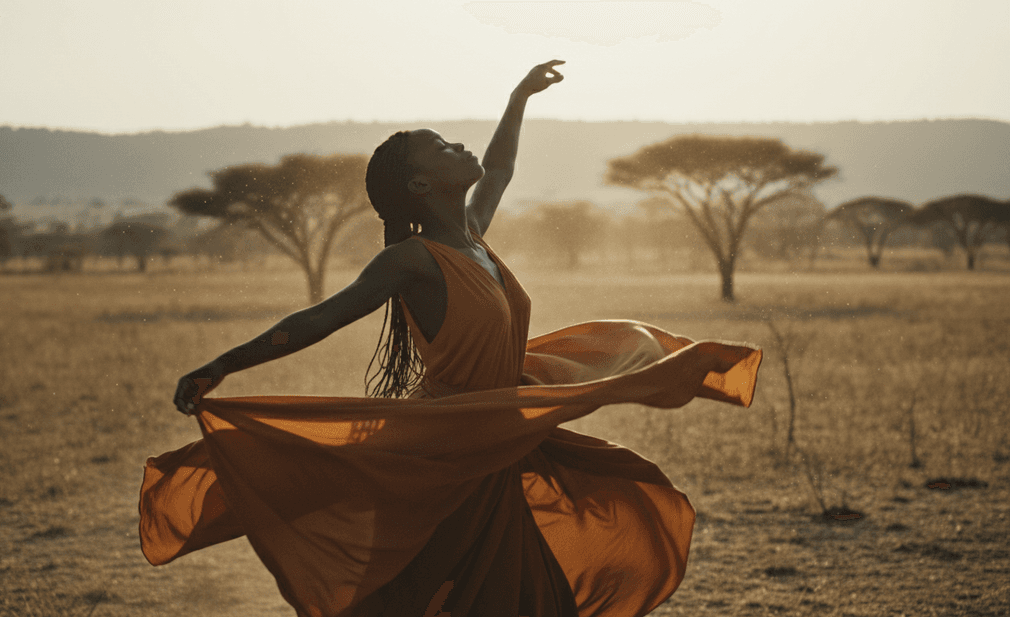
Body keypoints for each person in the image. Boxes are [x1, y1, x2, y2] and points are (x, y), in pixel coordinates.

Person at [141, 60, 762, 617]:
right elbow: (319, 319)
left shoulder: (472, 235)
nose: (455, 145)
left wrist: (519, 98)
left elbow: (500, 168)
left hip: (500, 436)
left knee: (517, 589)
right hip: (451, 444)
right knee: (448, 592)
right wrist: (222, 365)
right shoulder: (411, 259)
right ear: (418, 186)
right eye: (437, 147)